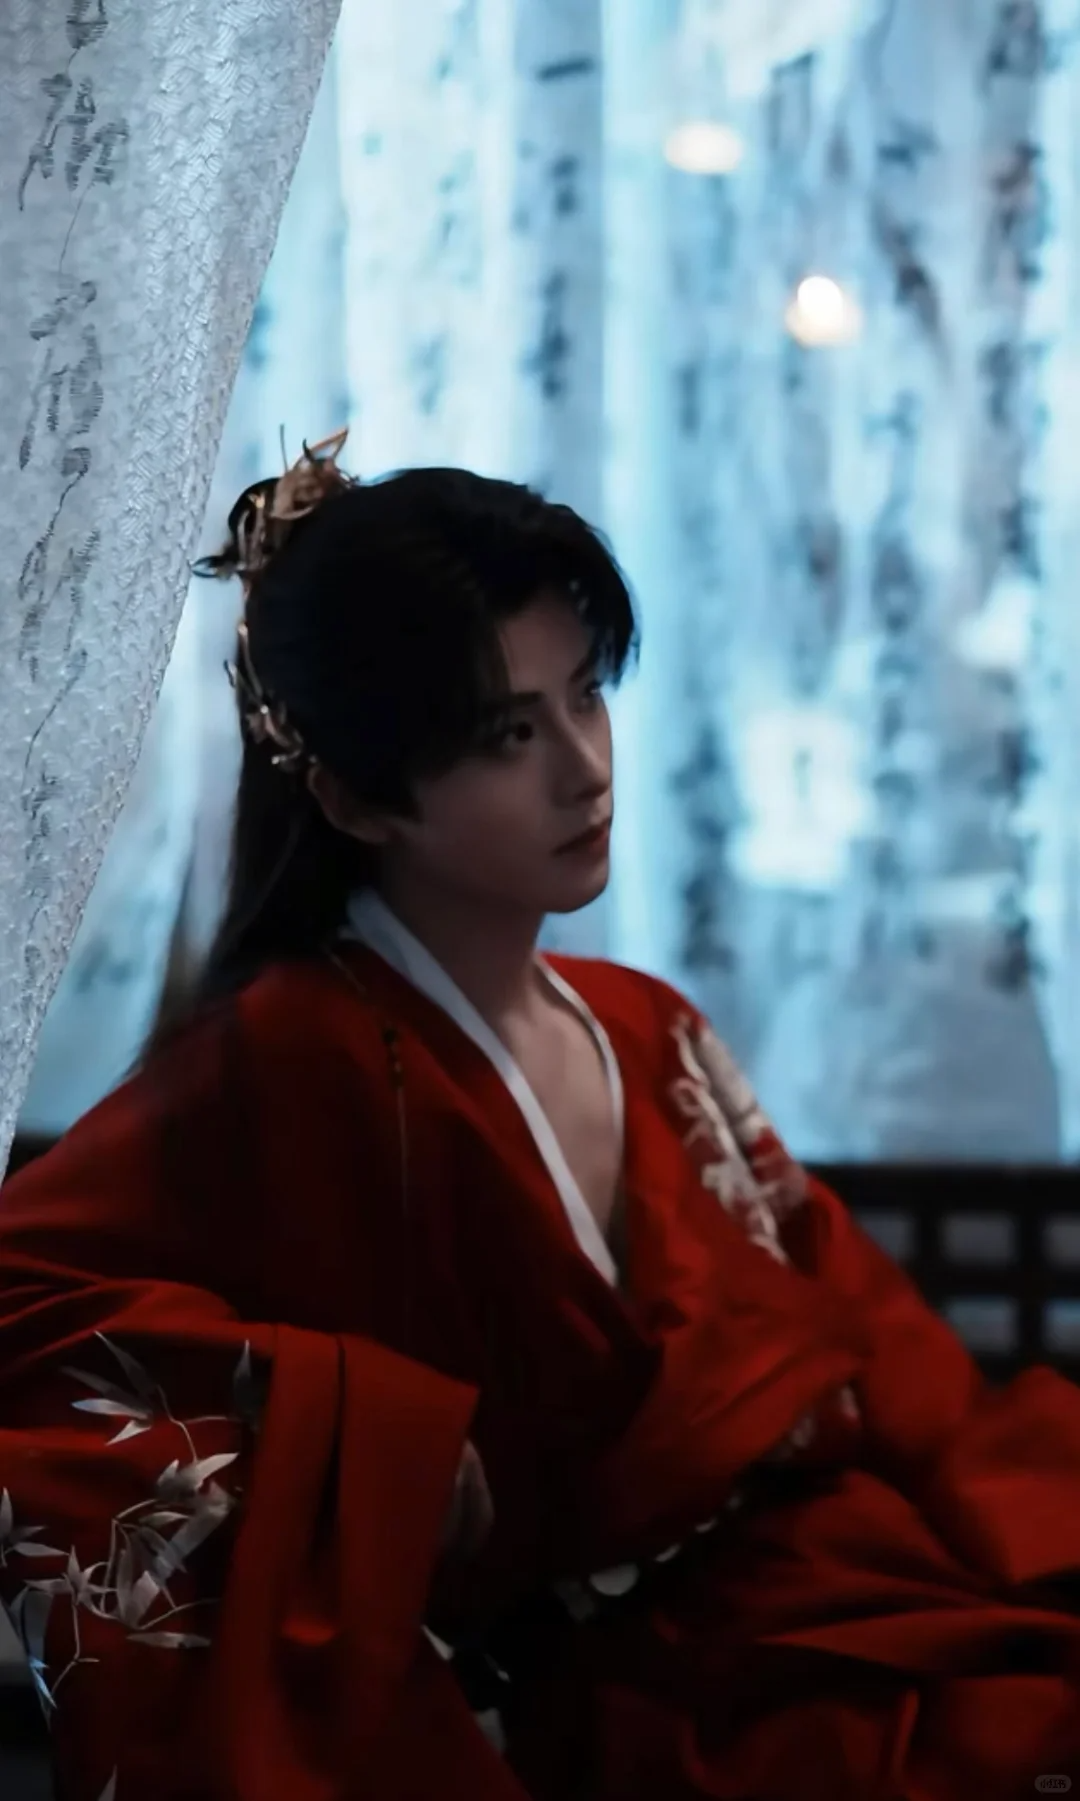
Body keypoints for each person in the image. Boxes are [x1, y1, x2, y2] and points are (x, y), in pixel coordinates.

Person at [0, 434, 1079, 1801]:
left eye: (587, 696)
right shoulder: (285, 1059)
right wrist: (359, 1432)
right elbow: (24, 1297)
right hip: (614, 1713)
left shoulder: (646, 1025)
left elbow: (875, 1346)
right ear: (354, 795)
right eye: (511, 733)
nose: (585, 770)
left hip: (833, 1610)